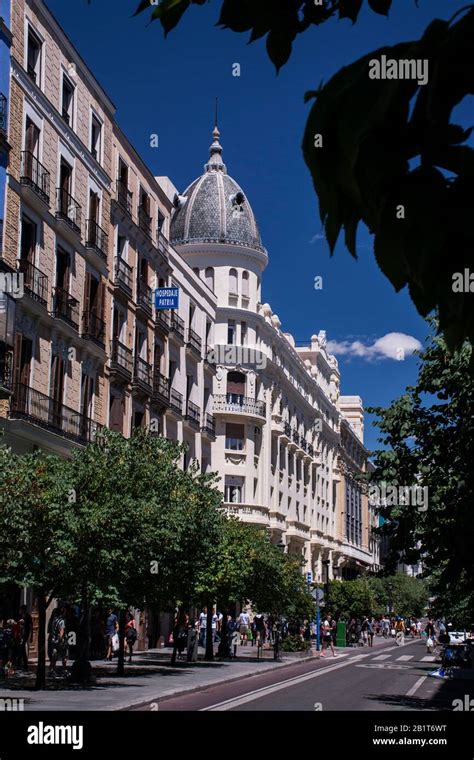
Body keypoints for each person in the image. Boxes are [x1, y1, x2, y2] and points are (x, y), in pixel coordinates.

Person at [48, 607, 67, 676]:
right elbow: (62, 630)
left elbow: (50, 631)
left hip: (54, 640)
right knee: (64, 656)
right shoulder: (61, 621)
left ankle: (52, 669)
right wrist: (61, 639)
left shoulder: (54, 620)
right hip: (59, 641)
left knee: (54, 655)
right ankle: (64, 670)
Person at [18, 605, 33, 670]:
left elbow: (31, 626)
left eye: (21, 609)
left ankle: (24, 664)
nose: (20, 611)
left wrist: (31, 635)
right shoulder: (21, 616)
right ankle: (22, 663)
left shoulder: (28, 616)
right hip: (21, 634)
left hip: (25, 634)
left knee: (22, 647)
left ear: (23, 609)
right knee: (21, 648)